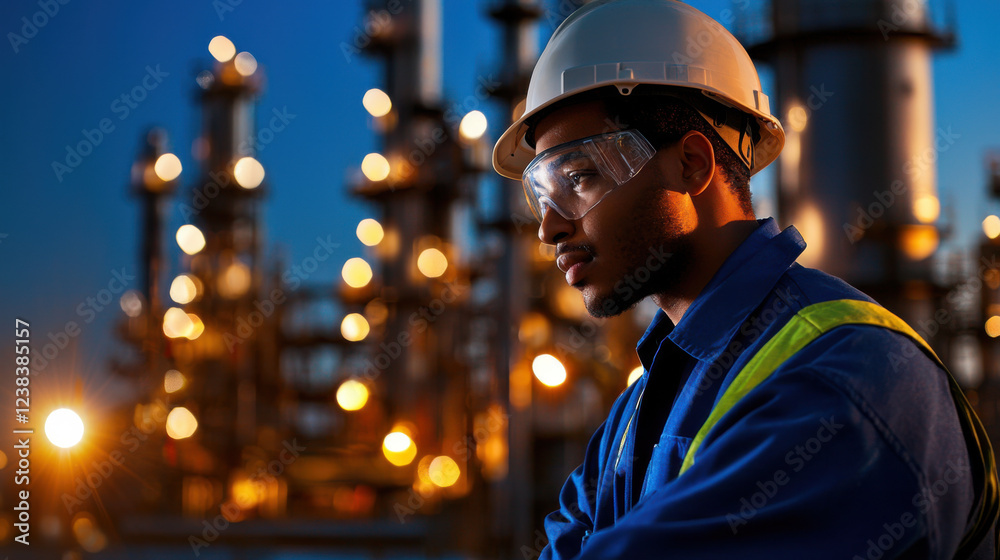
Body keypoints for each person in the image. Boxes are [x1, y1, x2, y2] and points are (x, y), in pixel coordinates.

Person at [491, 1, 998, 558]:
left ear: (691, 164)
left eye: (579, 178)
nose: (549, 228)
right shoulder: (638, 407)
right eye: (541, 194)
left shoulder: (843, 378)